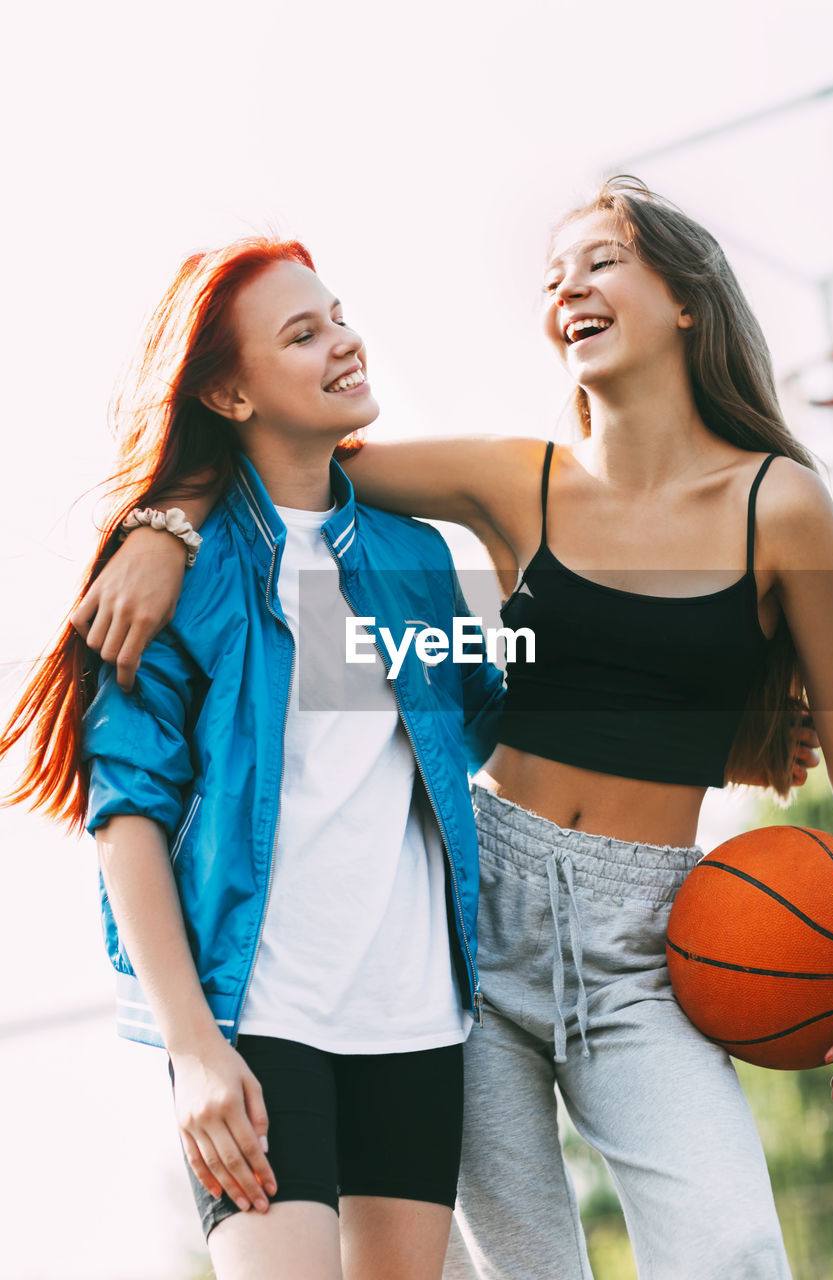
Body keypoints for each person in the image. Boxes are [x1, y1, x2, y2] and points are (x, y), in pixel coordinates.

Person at [63, 179, 833, 1279]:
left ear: (686, 298)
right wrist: (160, 522)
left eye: (599, 260)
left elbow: (469, 699)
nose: (566, 286)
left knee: (733, 1249)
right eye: (552, 273)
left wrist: (716, 734)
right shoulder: (513, 482)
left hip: (636, 942)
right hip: (473, 925)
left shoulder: (771, 505)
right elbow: (291, 463)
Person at [0, 238, 506, 1280]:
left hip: (414, 1019)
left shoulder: (415, 557)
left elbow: (486, 727)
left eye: (339, 314)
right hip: (258, 1019)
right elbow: (125, 816)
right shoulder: (171, 572)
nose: (345, 341)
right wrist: (192, 1046)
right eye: (302, 332)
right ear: (230, 392)